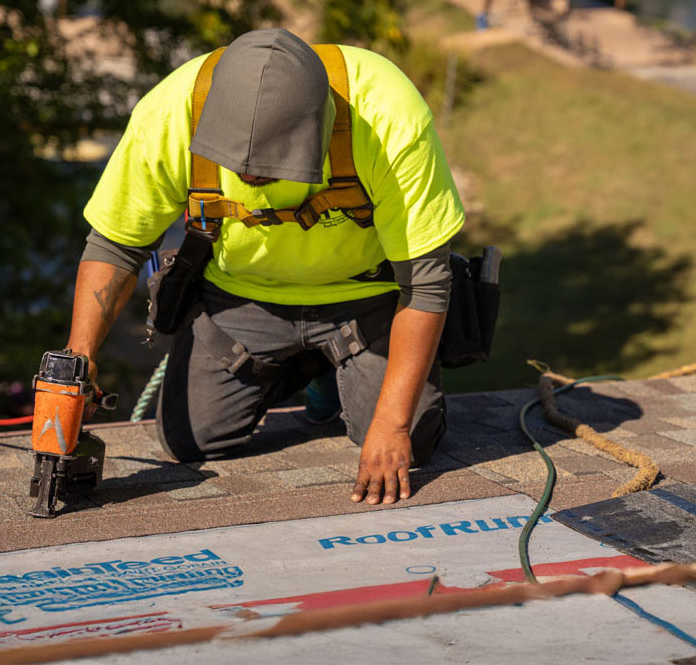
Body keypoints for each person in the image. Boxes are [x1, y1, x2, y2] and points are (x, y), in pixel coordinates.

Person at [66, 28, 464, 506]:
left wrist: (393, 423)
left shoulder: (386, 113)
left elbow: (425, 285)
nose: (252, 179)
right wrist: (78, 358)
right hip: (241, 294)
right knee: (189, 442)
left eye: (273, 168)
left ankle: (336, 364)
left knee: (409, 445)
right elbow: (115, 245)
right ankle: (303, 365)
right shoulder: (169, 114)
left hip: (365, 298)